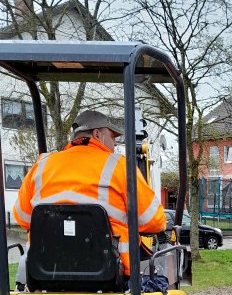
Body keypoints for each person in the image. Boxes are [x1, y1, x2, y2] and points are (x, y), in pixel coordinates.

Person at [13, 109, 166, 278]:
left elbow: (23, 218)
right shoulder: (120, 166)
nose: (115, 144)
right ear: (97, 134)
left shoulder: (42, 164)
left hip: (46, 273)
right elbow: (153, 222)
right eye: (113, 137)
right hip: (111, 274)